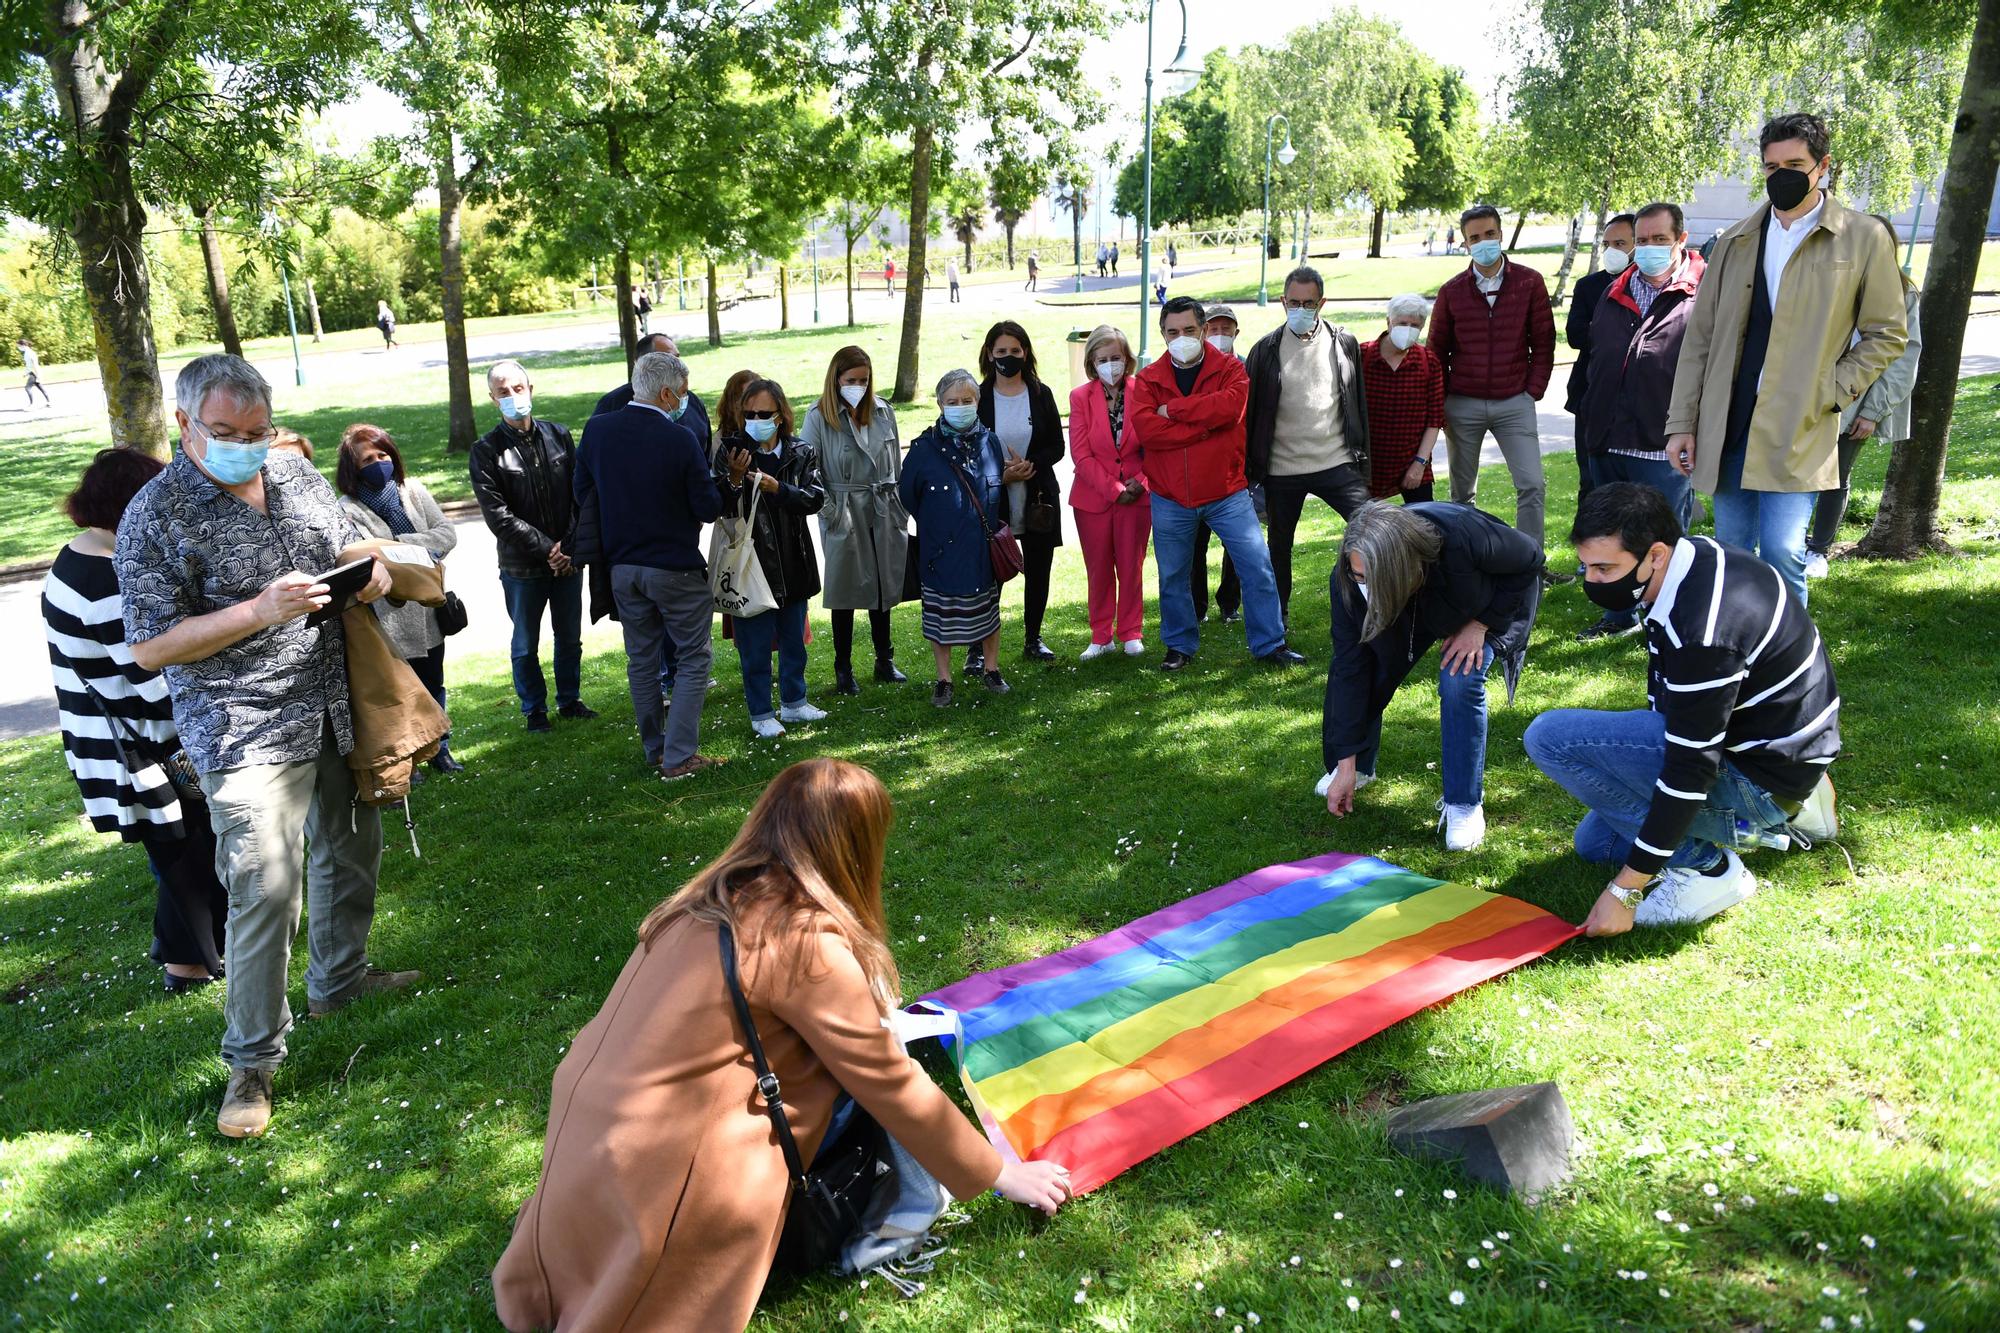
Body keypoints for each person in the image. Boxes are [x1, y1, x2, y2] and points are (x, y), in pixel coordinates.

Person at [490, 759, 1073, 1333]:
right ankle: (889, 1230)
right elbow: (887, 1080)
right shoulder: (796, 935)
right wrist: (1000, 1174)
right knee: (891, 1069)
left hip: (592, 1162)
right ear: (855, 846)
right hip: (671, 1180)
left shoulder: (692, 908)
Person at [116, 354, 413, 1139]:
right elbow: (150, 647)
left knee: (352, 846)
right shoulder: (155, 514)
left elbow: (353, 545)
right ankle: (251, 1061)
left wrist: (371, 572)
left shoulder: (296, 476)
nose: (247, 444)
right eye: (227, 433)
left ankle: (340, 981)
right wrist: (258, 609)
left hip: (333, 700)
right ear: (184, 425)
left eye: (258, 430)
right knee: (263, 885)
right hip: (241, 723)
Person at [1525, 483, 1840, 935]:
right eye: (1585, 565)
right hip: (1790, 745)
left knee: (1550, 739)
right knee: (1595, 844)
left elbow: (1691, 769)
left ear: (1654, 554)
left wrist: (1626, 891)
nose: (1590, 581)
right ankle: (1792, 806)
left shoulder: (1703, 633)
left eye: (1603, 567)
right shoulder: (1697, 556)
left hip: (1760, 771)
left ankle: (1712, 869)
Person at [1663, 112, 1908, 607]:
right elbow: (1700, 340)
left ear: (1823, 167)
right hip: (1729, 422)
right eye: (1771, 167)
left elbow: (1887, 333)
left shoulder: (1862, 237)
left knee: (1782, 551)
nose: (1782, 175)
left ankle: (1797, 667)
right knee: (1733, 555)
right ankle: (1741, 655)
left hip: (1798, 423)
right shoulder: (1734, 241)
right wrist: (1681, 422)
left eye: (1795, 163)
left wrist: (1832, 390)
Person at [45, 448, 227, 994]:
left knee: (185, 850)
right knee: (187, 858)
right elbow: (147, 682)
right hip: (138, 751)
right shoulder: (102, 581)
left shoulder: (80, 557)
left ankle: (190, 954)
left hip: (122, 743)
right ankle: (191, 968)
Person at [1320, 501, 1544, 853]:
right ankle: (1359, 766)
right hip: (1413, 596)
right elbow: (1351, 667)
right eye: (1357, 575)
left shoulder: (1464, 536)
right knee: (1370, 662)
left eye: (1370, 578)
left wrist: (1481, 624)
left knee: (1460, 676)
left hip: (1487, 602)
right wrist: (1344, 761)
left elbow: (1529, 558)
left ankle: (1463, 804)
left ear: (1400, 566)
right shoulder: (1348, 581)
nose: (1361, 587)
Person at [1127, 296, 1305, 671]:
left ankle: (1270, 643)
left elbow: (1230, 409)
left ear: (1204, 329)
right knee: (1173, 575)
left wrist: (1174, 411)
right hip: (1171, 496)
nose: (1181, 337)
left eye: (1189, 330)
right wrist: (1205, 428)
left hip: (1227, 493)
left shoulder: (1231, 370)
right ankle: (1179, 646)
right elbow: (1148, 432)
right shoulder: (1147, 379)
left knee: (1257, 566)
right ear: (1162, 334)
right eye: (1173, 332)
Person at [573, 352, 726, 781]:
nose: (684, 401)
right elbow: (708, 506)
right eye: (682, 392)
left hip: (622, 566)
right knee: (694, 658)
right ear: (665, 393)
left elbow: (582, 489)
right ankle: (679, 757)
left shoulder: (599, 429)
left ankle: (655, 749)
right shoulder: (679, 439)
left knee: (641, 660)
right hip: (674, 565)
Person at [1576, 201, 1709, 641]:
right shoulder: (1616, 289)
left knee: (1667, 539)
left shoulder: (1703, 291)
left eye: (1660, 240)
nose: (1649, 248)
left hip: (1664, 441)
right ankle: (1618, 617)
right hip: (1609, 439)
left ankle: (1672, 620)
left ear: (1681, 240)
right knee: (1612, 536)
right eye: (1644, 240)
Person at [470, 360, 597, 733]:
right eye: (503, 392)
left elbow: (580, 495)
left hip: (568, 562)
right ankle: (534, 709)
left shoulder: (559, 435)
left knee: (569, 637)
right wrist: (547, 549)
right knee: (525, 643)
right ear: (493, 398)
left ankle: (570, 699)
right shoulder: (486, 451)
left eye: (518, 388)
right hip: (522, 567)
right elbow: (499, 516)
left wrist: (569, 548)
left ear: (531, 389)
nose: (512, 396)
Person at [1429, 203, 1558, 559]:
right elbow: (1436, 351)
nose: (1483, 242)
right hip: (1463, 404)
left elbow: (1544, 339)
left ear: (1500, 235)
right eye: (1475, 238)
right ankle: (1469, 561)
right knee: (1462, 493)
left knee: (1531, 484)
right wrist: (1441, 402)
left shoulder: (1529, 282)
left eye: (1489, 234)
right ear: (1465, 244)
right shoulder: (1452, 291)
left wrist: (1533, 390)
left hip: (1514, 400)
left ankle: (1532, 564)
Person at [1244, 266, 1373, 622]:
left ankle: (1374, 605)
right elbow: (1252, 415)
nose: (1301, 309)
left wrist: (1362, 459)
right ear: (1283, 302)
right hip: (1282, 468)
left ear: (1322, 303)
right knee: (1279, 546)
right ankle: (1277, 617)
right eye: (1294, 302)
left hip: (1336, 461)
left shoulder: (1344, 342)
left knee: (1373, 531)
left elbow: (1357, 403)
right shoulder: (1264, 351)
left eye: (1309, 303)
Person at [334, 423, 464, 773]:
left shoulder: (413, 490)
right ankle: (409, 760)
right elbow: (370, 557)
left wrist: (398, 548)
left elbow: (446, 534)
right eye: (367, 459)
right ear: (352, 467)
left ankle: (441, 749)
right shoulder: (347, 509)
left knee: (433, 682)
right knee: (399, 690)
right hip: (386, 615)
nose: (378, 463)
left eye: (383, 454)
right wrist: (419, 550)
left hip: (428, 608)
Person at [1807, 215, 1923, 580]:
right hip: (1811, 397)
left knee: (1835, 475)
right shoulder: (1831, 280)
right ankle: (1788, 541)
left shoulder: (1903, 293)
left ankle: (1818, 550)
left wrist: (1873, 411)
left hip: (1857, 404)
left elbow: (1904, 356)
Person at [716, 378, 828, 738]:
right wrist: (734, 478)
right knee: (755, 646)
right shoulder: (732, 452)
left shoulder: (800, 451)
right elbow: (717, 505)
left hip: (794, 559)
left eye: (764, 413)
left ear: (780, 416)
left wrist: (779, 489)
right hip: (752, 565)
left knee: (794, 640)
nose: (755, 419)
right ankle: (761, 712)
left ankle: (795, 703)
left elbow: (815, 498)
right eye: (748, 413)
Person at [898, 369, 1012, 705]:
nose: (959, 406)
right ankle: (944, 679)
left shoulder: (991, 442)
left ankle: (991, 670)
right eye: (952, 401)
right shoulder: (923, 449)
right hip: (940, 550)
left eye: (966, 400)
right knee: (941, 618)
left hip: (980, 549)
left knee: (988, 613)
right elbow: (908, 495)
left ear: (977, 402)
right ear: (939, 404)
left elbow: (995, 490)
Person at [802, 346, 909, 696]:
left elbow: (895, 460)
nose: (858, 386)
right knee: (845, 590)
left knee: (883, 585)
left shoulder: (882, 411)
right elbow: (807, 471)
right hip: (843, 507)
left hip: (881, 505)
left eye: (864, 380)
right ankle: (843, 668)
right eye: (851, 380)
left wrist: (899, 507)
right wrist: (830, 512)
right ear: (836, 379)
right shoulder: (818, 416)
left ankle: (884, 659)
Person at [976, 321, 1066, 666]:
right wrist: (1001, 472)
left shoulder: (1041, 394)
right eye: (1001, 352)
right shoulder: (979, 396)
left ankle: (1033, 638)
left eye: (1015, 351)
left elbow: (1057, 445)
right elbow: (969, 449)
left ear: (1025, 353)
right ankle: (978, 648)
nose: (1009, 357)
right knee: (989, 575)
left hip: (1038, 496)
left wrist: (1030, 465)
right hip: (993, 497)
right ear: (989, 354)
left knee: (1039, 569)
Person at [1069, 325, 1150, 658]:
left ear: (1127, 358)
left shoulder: (1143, 391)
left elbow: (1157, 447)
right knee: (1098, 568)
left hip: (1137, 496)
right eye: (1103, 359)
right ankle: (1101, 635)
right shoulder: (1080, 397)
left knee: (1131, 565)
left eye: (1116, 357)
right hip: (1094, 499)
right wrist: (1114, 489)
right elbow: (1081, 454)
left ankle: (1131, 631)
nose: (1110, 364)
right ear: (1092, 362)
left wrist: (1140, 481)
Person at [1564, 213, 1638, 505]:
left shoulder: (1652, 286)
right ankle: (1591, 548)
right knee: (1592, 481)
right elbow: (1575, 336)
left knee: (1635, 486)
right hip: (1590, 395)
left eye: (1620, 243)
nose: (1612, 251)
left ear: (1637, 244)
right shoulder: (1589, 286)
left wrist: (1605, 330)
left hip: (1640, 401)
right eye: (1607, 243)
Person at [1189, 304, 1252, 623]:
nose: (1219, 335)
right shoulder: (1192, 368)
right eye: (1213, 329)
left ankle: (1230, 603)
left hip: (1234, 472)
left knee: (1236, 545)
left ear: (1235, 333)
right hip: (1198, 472)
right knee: (1195, 547)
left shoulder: (1245, 369)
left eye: (1225, 329)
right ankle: (1197, 607)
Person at [1360, 294, 1445, 505]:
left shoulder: (1428, 362)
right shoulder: (1361, 355)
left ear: (1422, 327)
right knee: (1366, 530)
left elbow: (1435, 420)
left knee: (1424, 526)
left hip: (1414, 462)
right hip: (1370, 465)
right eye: (1402, 323)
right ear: (1389, 321)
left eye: (1414, 325)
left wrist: (1419, 463)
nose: (1407, 329)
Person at [592, 332, 713, 455]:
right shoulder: (612, 404)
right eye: (667, 359)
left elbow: (706, 453)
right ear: (641, 364)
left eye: (677, 358)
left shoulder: (692, 402)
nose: (677, 365)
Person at [19, 337, 51, 407]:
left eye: (19, 346)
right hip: (32, 372)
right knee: (40, 387)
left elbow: (35, 364)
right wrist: (25, 373)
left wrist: (38, 374)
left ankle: (32, 404)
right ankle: (49, 402)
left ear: (23, 345)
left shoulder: (30, 353)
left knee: (27, 388)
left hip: (34, 373)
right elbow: (28, 365)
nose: (19, 348)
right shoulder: (27, 353)